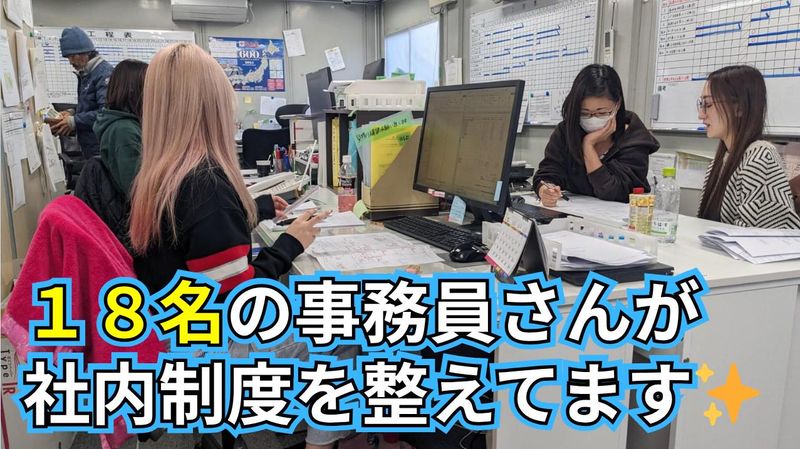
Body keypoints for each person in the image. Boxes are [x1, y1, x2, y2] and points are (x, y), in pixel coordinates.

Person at [128, 43, 350, 449]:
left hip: (176, 333)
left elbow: (200, 237)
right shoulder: (207, 186)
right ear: (209, 109)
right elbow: (241, 303)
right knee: (344, 331)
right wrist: (289, 244)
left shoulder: (162, 175)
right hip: (213, 349)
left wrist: (256, 209)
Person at [532, 64, 660, 206]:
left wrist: (588, 146)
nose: (592, 118)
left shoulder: (634, 139)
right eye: (584, 113)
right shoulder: (566, 131)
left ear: (617, 105)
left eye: (601, 112)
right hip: (573, 213)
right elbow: (547, 173)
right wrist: (545, 190)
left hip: (620, 216)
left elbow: (613, 191)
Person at [697, 65, 800, 228]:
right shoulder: (719, 162)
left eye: (708, 104)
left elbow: (755, 237)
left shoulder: (761, 157)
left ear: (739, 108)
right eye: (701, 104)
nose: (701, 115)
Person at [46, 27, 114, 158]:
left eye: (73, 56)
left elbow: (106, 113)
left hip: (101, 148)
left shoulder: (104, 74)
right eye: (68, 57)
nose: (71, 62)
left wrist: (74, 121)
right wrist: (73, 112)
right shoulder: (86, 73)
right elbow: (91, 104)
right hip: (90, 147)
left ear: (85, 52)